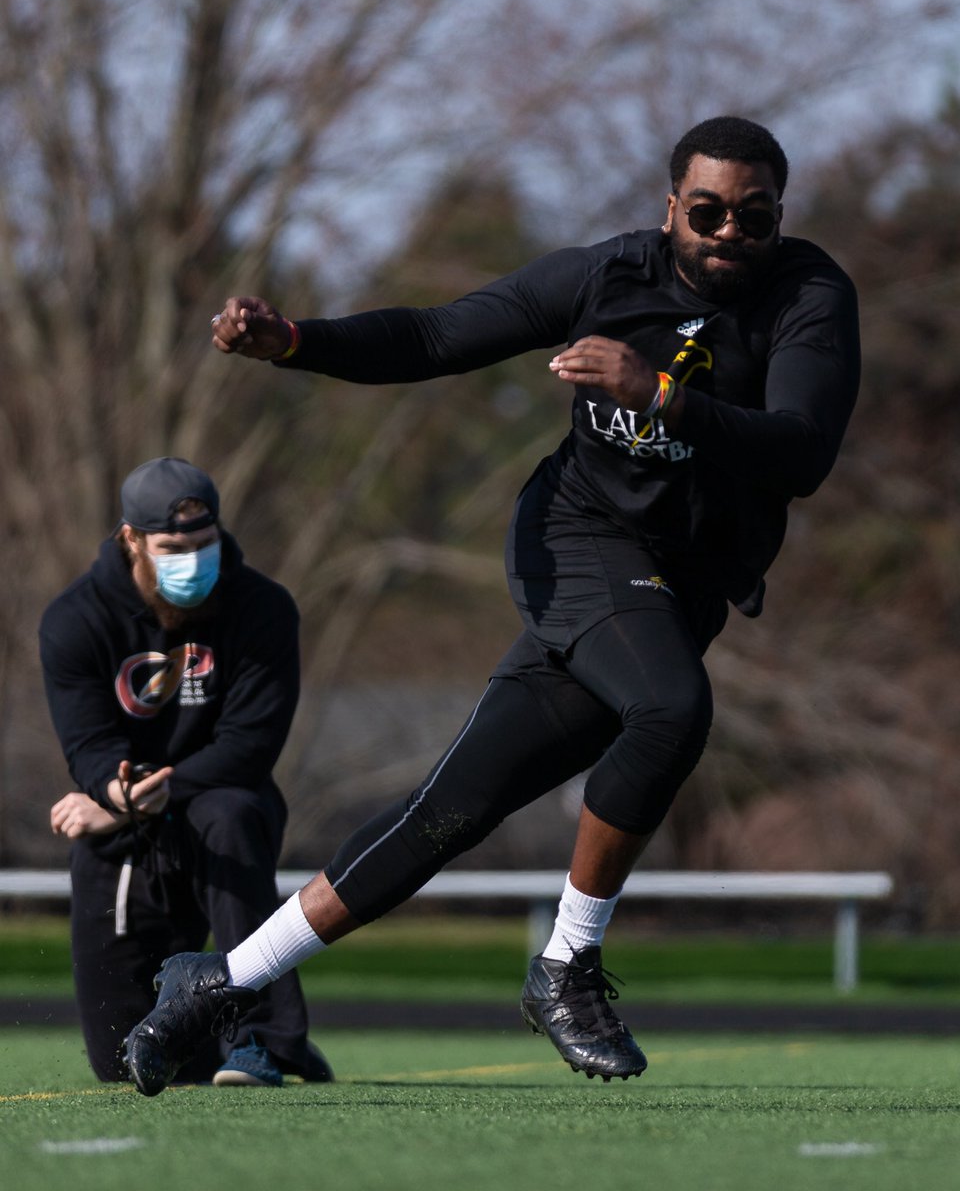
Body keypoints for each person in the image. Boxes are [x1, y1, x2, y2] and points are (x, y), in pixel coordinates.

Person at [123, 116, 860, 1096]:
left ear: (779, 216)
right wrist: (293, 341)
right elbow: (433, 335)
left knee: (448, 814)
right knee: (672, 707)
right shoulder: (606, 278)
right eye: (708, 211)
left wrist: (659, 396)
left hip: (681, 587)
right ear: (669, 207)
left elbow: (801, 450)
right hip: (578, 545)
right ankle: (566, 967)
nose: (730, 232)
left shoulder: (809, 296)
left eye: (753, 216)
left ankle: (217, 984)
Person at [39, 456, 334, 1088]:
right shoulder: (74, 619)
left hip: (220, 806)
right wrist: (118, 797)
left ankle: (264, 1045)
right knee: (121, 1064)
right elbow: (88, 743)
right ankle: (227, 1047)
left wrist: (137, 797)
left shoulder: (264, 608)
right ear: (131, 539)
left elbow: (250, 746)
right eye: (173, 547)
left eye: (203, 544)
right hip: (126, 828)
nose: (193, 559)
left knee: (228, 815)